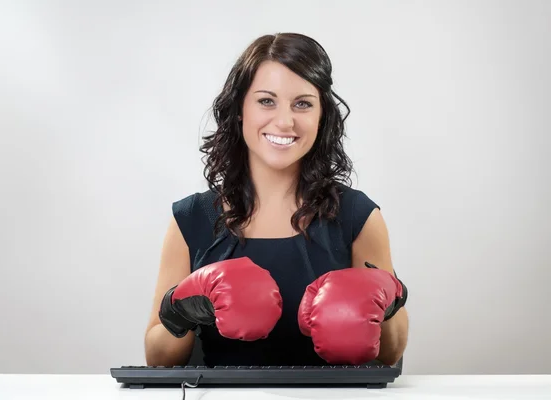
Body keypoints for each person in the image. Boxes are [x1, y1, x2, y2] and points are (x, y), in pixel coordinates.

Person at [144, 32, 409, 368]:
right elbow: (156, 358)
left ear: (321, 116)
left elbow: (391, 354)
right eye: (266, 101)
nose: (284, 121)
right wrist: (181, 310)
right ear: (240, 109)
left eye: (303, 103)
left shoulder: (358, 216)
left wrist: (387, 300)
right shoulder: (191, 218)